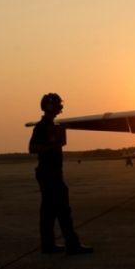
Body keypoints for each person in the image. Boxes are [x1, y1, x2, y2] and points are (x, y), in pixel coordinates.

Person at [29, 93, 93, 255]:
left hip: (53, 172)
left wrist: (60, 136)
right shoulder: (42, 126)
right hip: (49, 173)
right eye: (57, 105)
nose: (60, 108)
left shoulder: (54, 125)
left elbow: (60, 143)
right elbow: (33, 148)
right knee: (63, 210)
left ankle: (48, 245)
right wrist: (52, 146)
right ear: (50, 106)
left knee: (49, 211)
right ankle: (72, 245)